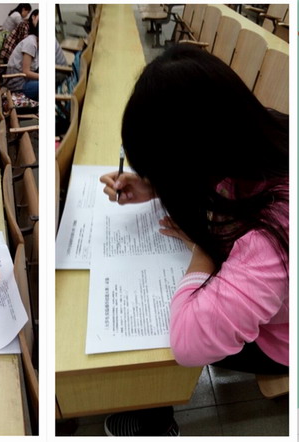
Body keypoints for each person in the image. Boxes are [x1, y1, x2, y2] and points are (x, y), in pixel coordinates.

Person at [100, 44, 288, 436]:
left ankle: (155, 421)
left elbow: (189, 344)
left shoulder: (270, 238)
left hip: (284, 338)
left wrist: (204, 247)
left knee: (158, 333)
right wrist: (154, 185)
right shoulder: (261, 133)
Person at [5, 20, 39, 101]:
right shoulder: (31, 44)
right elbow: (26, 72)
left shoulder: (37, 42)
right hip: (17, 83)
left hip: (25, 80)